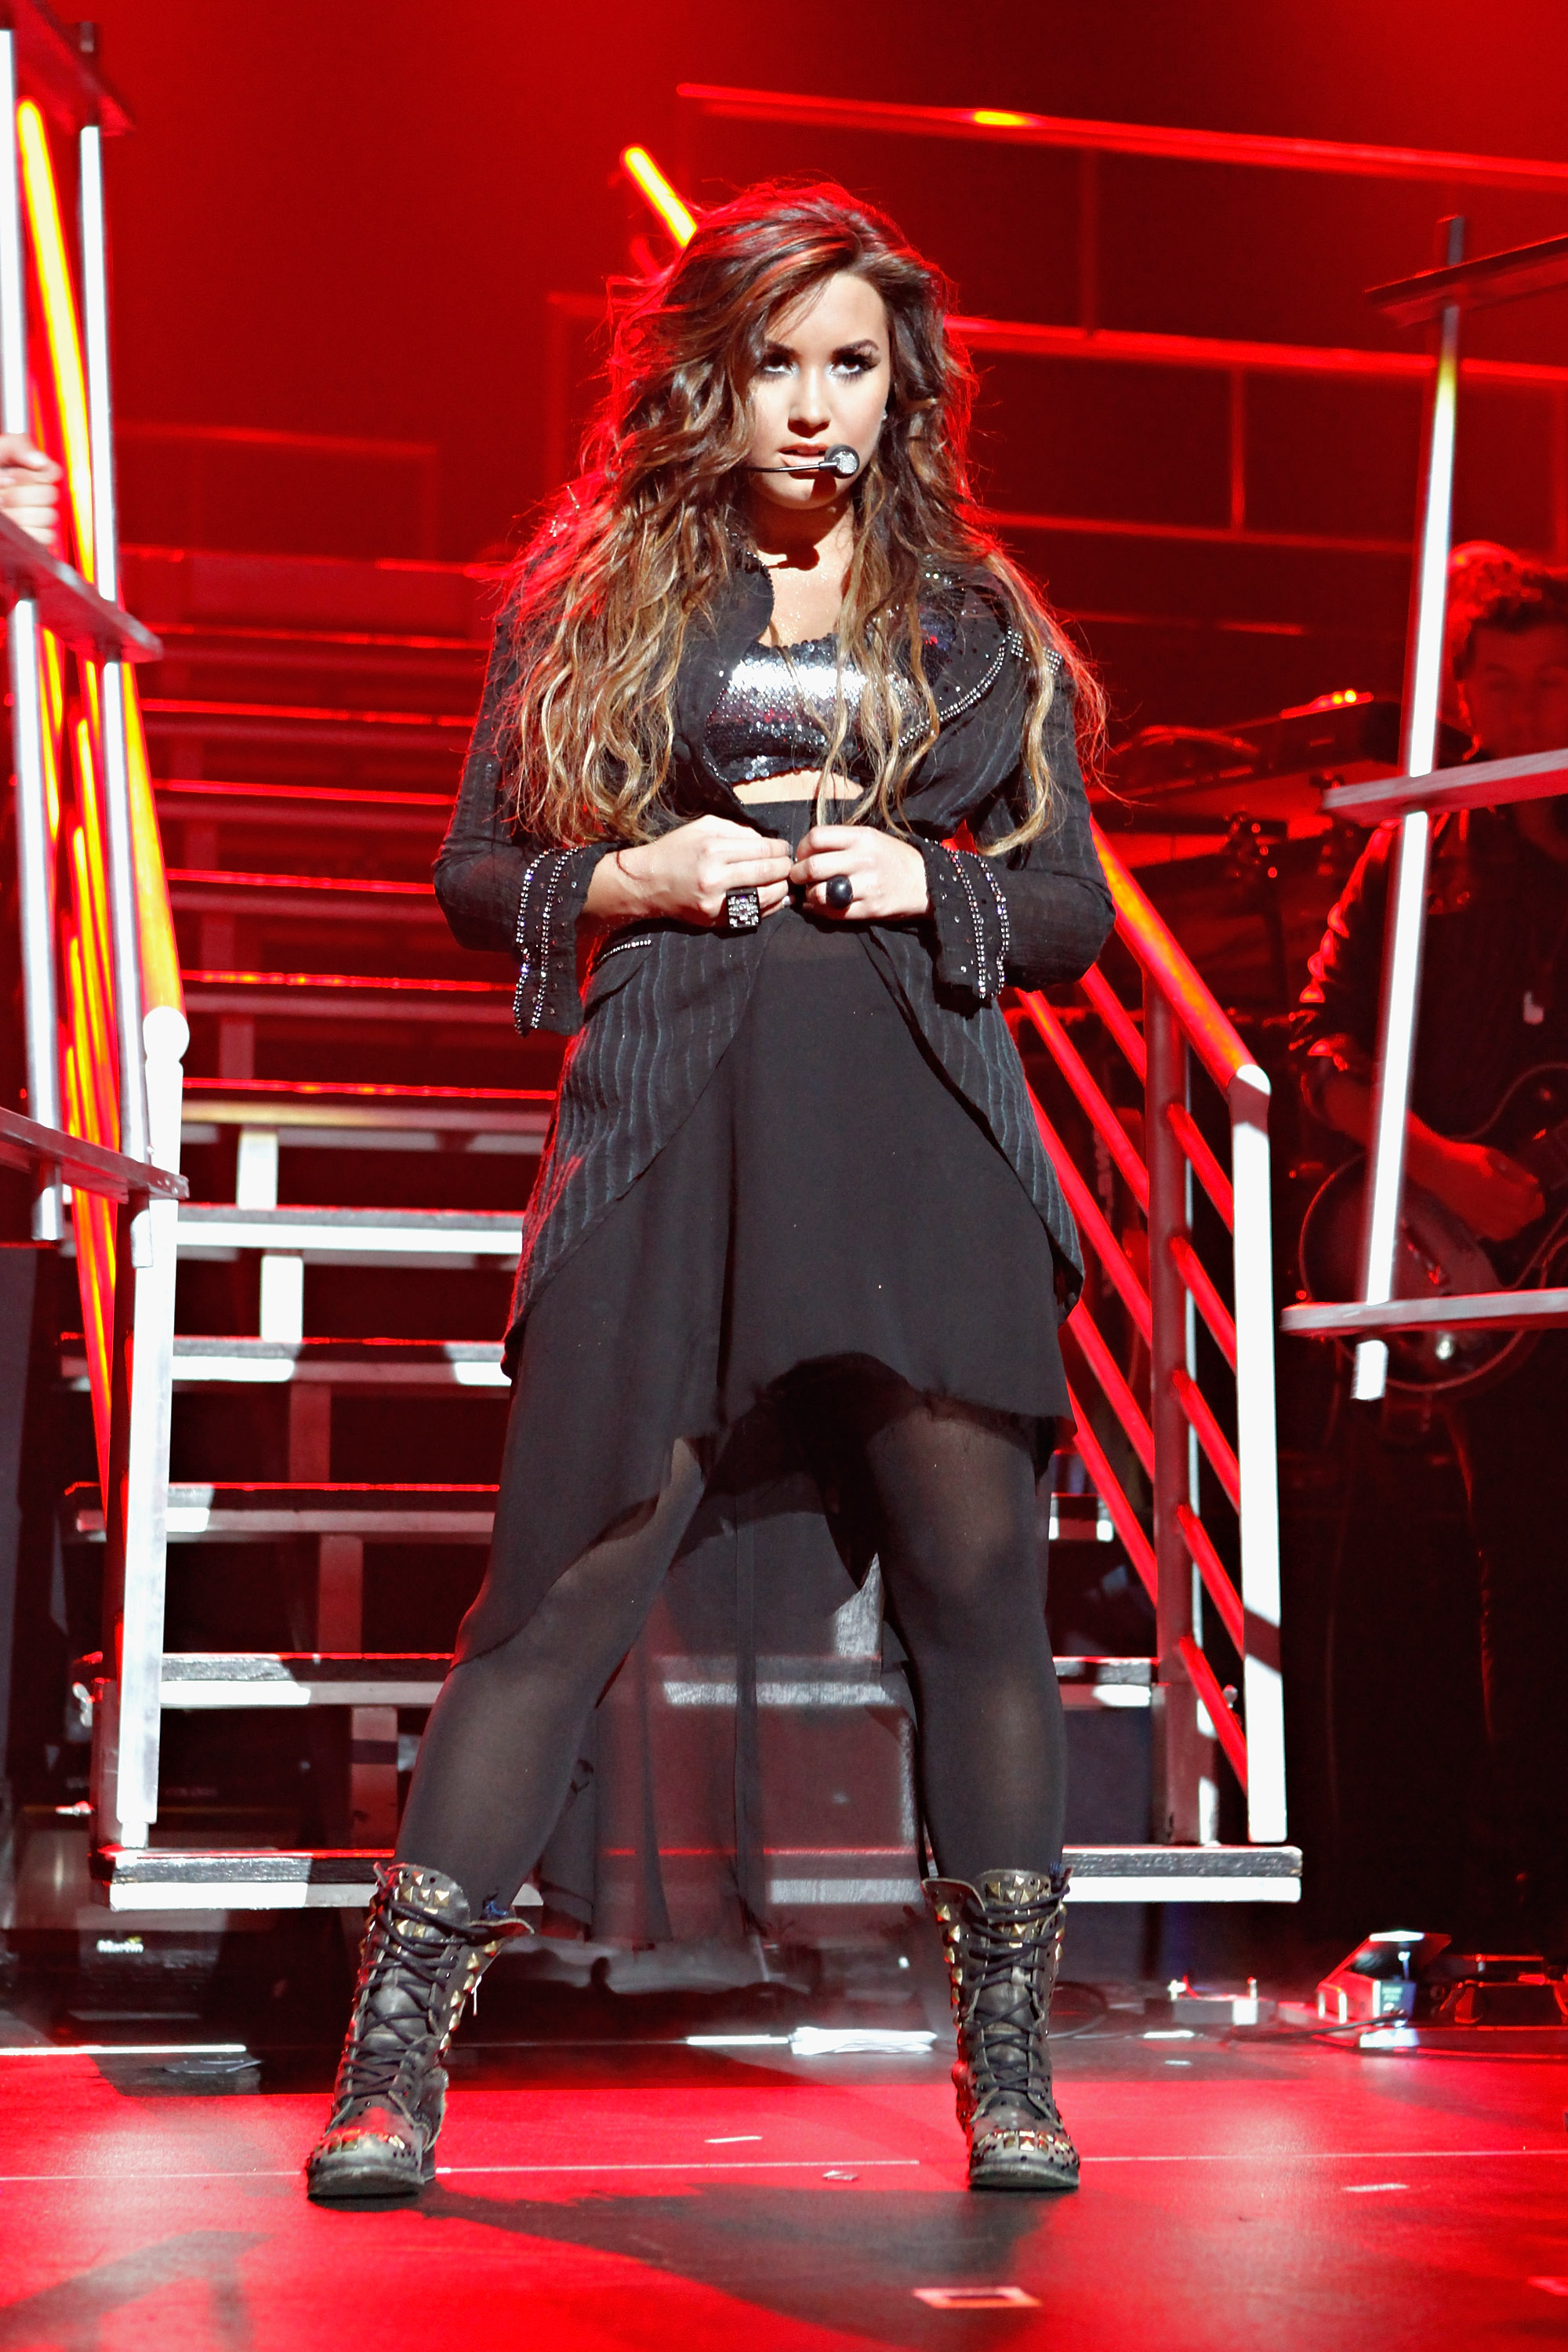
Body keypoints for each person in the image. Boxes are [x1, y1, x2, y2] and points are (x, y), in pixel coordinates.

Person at [305, 182, 1112, 2204]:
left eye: (855, 367)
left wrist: (930, 877)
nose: (816, 407)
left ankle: (1012, 2071)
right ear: (707, 379)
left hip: (917, 1125)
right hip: (672, 1122)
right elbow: (474, 873)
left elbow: (1072, 912)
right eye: (776, 365)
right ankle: (389, 2074)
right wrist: (628, 876)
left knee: (976, 1593)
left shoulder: (976, 619)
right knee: (555, 1592)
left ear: (905, 389)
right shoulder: (599, 602)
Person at [1293, 557, 1568, 1947]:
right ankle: (1535, 1906)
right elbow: (1315, 1048)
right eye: (1499, 686)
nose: (1525, 712)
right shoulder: (1419, 848)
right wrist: (1443, 1166)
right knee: (1529, 1575)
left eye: (1553, 684)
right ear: (1462, 696)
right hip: (1476, 1268)